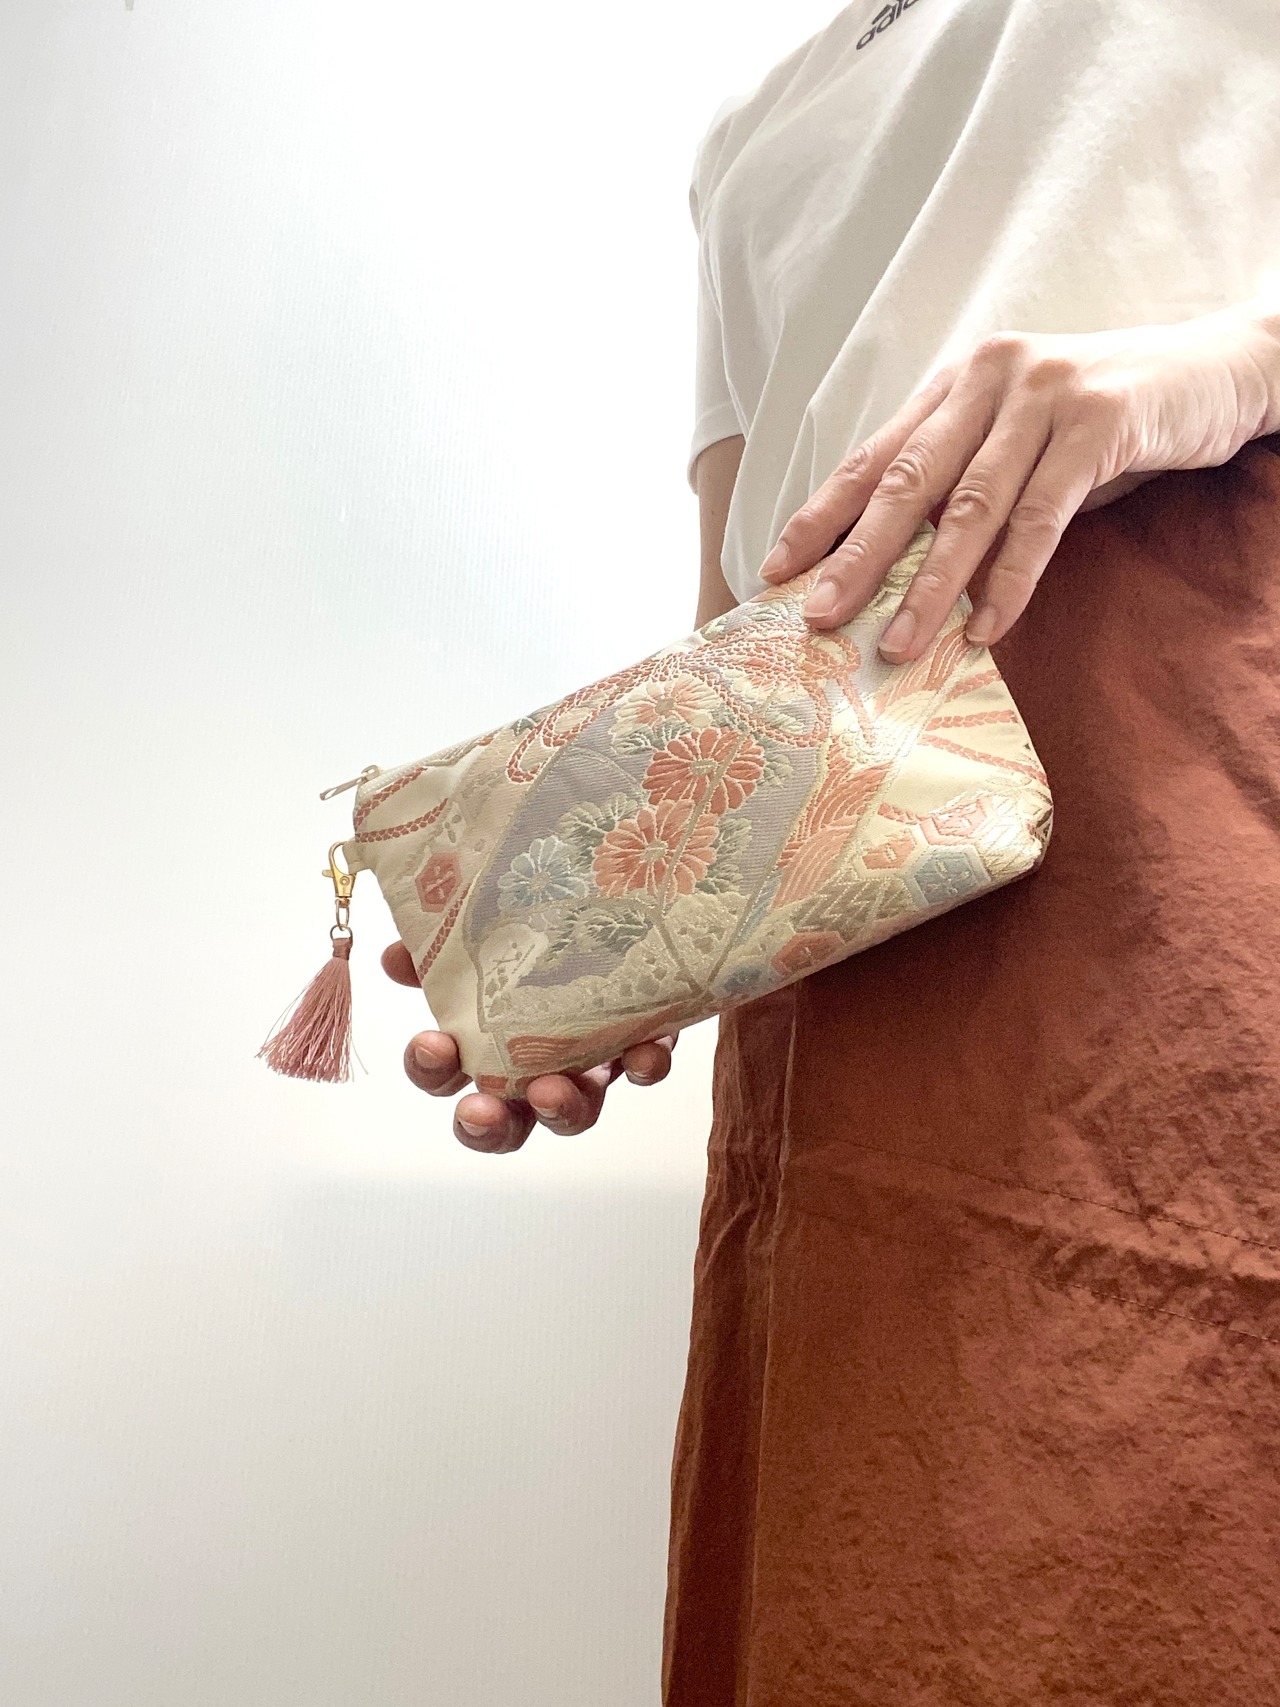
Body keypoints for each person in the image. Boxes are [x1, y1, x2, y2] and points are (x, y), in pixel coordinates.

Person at [385, 1, 1280, 1698]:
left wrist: (1221, 366)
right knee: (876, 1561)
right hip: (866, 851)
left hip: (1193, 745)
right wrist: (642, 901)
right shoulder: (757, 129)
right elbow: (747, 590)